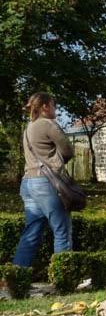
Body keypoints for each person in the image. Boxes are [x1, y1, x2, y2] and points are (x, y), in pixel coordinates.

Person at [12, 92, 75, 268]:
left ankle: (15, 277)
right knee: (62, 230)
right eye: (54, 105)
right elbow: (68, 150)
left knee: (31, 233)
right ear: (45, 106)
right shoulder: (48, 124)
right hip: (46, 183)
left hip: (28, 183)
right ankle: (64, 277)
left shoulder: (28, 128)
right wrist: (57, 161)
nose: (56, 109)